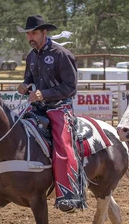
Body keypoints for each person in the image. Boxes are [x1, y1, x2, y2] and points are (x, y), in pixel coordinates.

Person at [16, 15, 84, 213]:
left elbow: (71, 87)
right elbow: (28, 78)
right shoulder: (31, 56)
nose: (30, 36)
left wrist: (43, 94)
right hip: (37, 106)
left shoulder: (61, 54)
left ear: (44, 33)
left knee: (63, 145)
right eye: (28, 33)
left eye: (34, 32)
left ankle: (68, 193)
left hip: (60, 107)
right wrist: (25, 86)